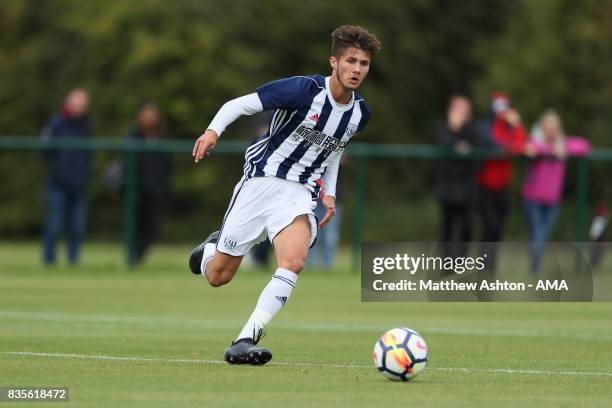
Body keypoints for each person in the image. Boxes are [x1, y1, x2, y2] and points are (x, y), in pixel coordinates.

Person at [188, 25, 381, 365]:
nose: (357, 70)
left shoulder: (360, 114)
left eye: (364, 64)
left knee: (293, 261)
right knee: (218, 276)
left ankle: (245, 340)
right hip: (260, 182)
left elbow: (334, 150)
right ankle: (208, 251)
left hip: (300, 194)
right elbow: (240, 104)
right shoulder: (302, 90)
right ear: (333, 61)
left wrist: (330, 194)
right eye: (351, 61)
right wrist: (212, 131)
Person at [522, 110, 591, 273]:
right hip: (533, 199)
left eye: (554, 127)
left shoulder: (563, 144)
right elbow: (529, 147)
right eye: (548, 127)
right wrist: (550, 150)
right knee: (538, 232)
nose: (551, 130)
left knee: (543, 235)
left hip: (553, 200)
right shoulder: (535, 143)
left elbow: (584, 145)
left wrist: (563, 148)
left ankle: (534, 262)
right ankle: (535, 267)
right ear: (542, 129)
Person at [475, 92, 527, 273]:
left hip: (502, 185)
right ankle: (484, 263)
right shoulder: (486, 126)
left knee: (498, 226)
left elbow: (519, 145)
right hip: (485, 184)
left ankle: (491, 264)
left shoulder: (510, 127)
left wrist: (517, 125)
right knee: (489, 225)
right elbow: (497, 145)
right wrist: (509, 144)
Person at [41, 88, 92, 265]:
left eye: (82, 104)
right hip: (57, 183)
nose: (78, 107)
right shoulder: (56, 123)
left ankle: (73, 262)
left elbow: (88, 155)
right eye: (76, 102)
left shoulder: (86, 125)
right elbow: (45, 150)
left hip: (78, 184)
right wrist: (57, 170)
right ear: (68, 103)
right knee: (54, 224)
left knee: (77, 228)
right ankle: (49, 262)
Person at [129, 102, 173, 264]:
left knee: (152, 227)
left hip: (156, 190)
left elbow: (167, 165)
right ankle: (132, 258)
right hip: (137, 190)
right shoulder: (133, 137)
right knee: (136, 226)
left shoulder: (161, 137)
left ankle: (138, 257)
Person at [435, 95, 479, 258]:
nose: (461, 113)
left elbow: (475, 149)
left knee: (467, 227)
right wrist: (454, 132)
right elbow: (444, 142)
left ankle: (461, 261)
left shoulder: (473, 130)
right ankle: (446, 262)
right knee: (447, 227)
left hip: (467, 187)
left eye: (464, 109)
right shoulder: (443, 128)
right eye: (458, 109)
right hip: (448, 187)